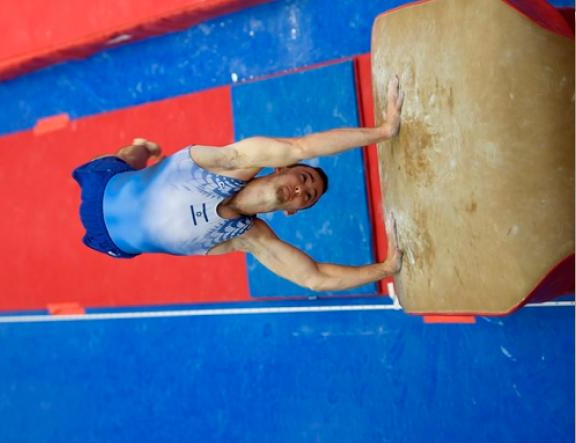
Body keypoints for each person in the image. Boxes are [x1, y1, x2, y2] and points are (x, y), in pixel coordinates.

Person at [73, 76, 405, 291]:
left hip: (111, 244)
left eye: (307, 197)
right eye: (304, 178)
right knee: (127, 158)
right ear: (280, 168)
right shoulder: (231, 162)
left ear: (292, 211)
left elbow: (313, 276)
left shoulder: (249, 237)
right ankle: (144, 148)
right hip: (102, 186)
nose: (301, 189)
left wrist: (386, 268)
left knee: (128, 166)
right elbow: (302, 147)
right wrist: (384, 131)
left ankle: (143, 151)